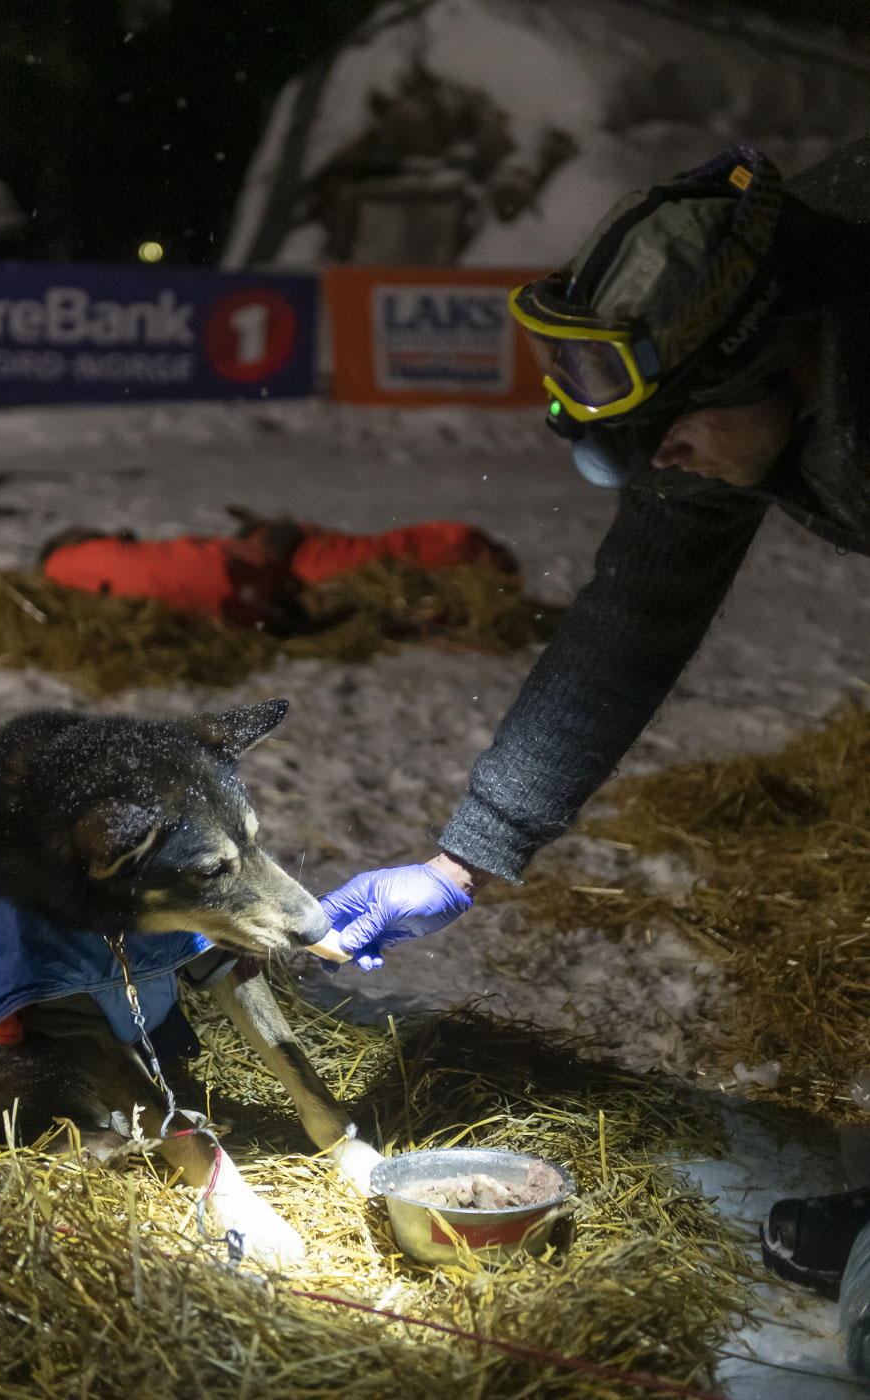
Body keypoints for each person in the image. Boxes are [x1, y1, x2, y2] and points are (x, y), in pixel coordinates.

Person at [316, 139, 870, 1358]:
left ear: (784, 356)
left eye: (674, 443)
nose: (667, 471)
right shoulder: (729, 375)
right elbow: (628, 621)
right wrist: (468, 857)